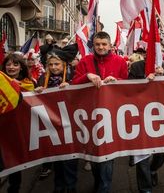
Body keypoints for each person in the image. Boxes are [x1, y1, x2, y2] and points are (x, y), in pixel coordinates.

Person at [71, 31, 128, 193]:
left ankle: (104, 188)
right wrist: (87, 76)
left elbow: (128, 86)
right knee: (95, 158)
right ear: (93, 45)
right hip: (90, 116)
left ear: (110, 45)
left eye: (104, 44)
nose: (101, 47)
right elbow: (74, 84)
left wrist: (117, 82)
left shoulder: (120, 61)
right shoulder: (85, 61)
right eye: (97, 44)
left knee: (107, 157)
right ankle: (99, 183)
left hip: (111, 116)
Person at [34, 50, 78, 193]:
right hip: (52, 126)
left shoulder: (74, 78)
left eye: (57, 64)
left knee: (70, 161)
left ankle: (71, 188)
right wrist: (38, 92)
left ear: (64, 64)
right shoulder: (42, 79)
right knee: (58, 160)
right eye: (51, 64)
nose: (54, 67)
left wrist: (71, 87)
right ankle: (58, 188)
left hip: (70, 126)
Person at [128, 55, 164, 193]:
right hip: (140, 115)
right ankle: (145, 189)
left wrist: (163, 77)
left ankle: (153, 170)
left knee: (161, 156)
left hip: (159, 117)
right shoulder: (136, 67)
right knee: (142, 156)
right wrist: (145, 81)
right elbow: (128, 90)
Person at [1, 53, 35, 193]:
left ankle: (14, 188)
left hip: (18, 129)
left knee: (15, 161)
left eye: (15, 64)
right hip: (2, 127)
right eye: (8, 64)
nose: (11, 67)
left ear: (21, 68)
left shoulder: (29, 84)